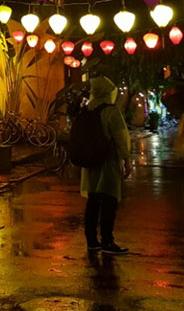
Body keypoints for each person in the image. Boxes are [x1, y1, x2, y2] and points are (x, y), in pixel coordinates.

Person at [81, 76, 132, 255]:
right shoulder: (111, 111)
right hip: (108, 161)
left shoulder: (87, 109)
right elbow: (121, 138)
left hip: (90, 162)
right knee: (109, 200)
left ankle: (92, 241)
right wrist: (127, 159)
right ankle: (107, 241)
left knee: (93, 200)